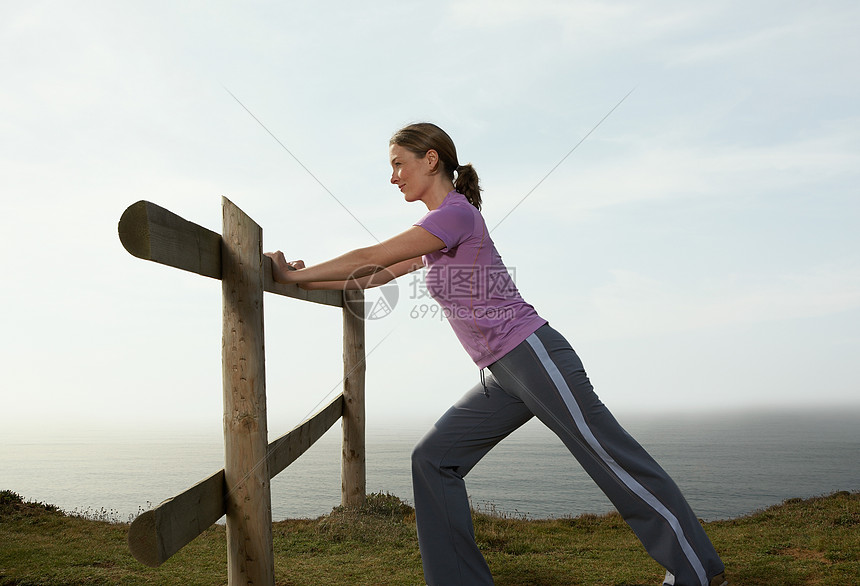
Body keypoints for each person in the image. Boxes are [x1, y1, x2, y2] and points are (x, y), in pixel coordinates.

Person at [266, 122, 727, 586]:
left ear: (430, 160)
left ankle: (696, 572)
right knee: (433, 460)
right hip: (502, 374)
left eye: (397, 165)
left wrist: (286, 277)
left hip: (533, 355)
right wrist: (300, 277)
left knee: (611, 456)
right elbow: (373, 276)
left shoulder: (455, 215)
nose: (393, 177)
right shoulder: (436, 233)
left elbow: (374, 253)